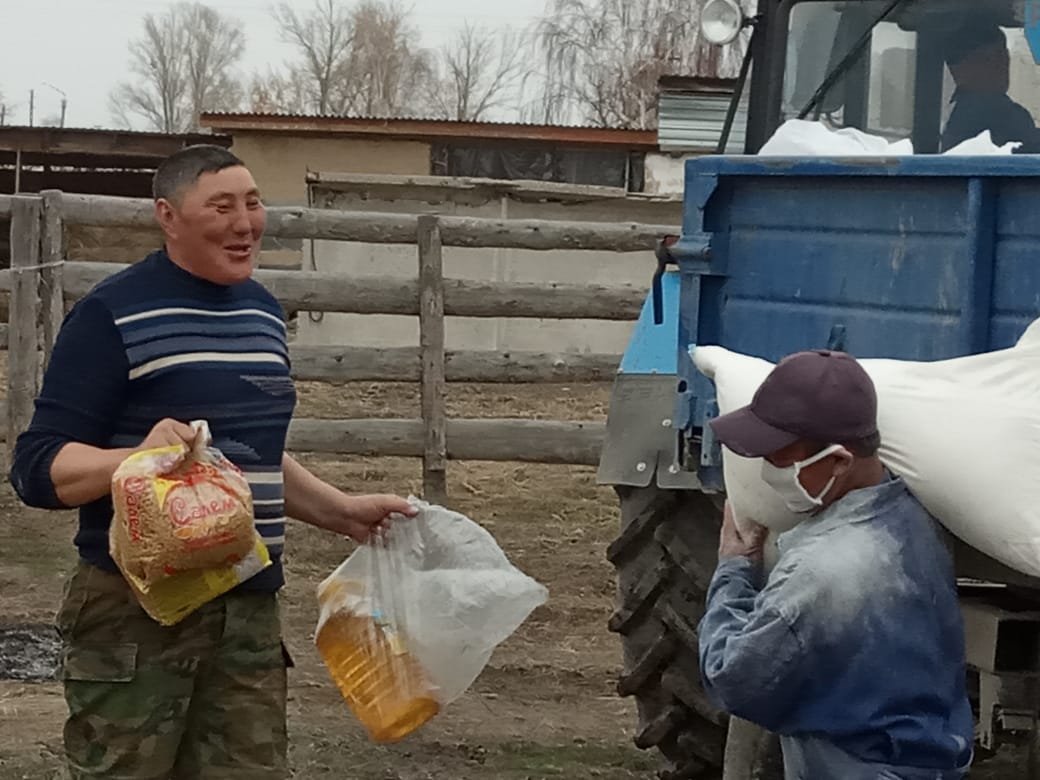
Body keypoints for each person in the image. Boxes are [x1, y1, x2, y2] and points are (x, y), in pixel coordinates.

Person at [9, 144, 417, 779]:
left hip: (248, 608)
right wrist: (137, 459)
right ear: (168, 217)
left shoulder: (263, 314)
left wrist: (341, 512)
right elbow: (37, 468)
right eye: (221, 207)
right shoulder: (111, 314)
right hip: (137, 610)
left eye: (253, 203)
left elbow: (246, 459)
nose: (245, 223)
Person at [696, 349, 973, 780]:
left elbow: (734, 679)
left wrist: (734, 571)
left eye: (778, 457)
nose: (766, 471)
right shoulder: (913, 517)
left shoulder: (819, 574)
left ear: (839, 461)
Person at [941, 19, 1040, 152]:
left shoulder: (954, 112)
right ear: (958, 70)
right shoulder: (990, 111)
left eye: (1004, 55)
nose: (1001, 65)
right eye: (987, 59)